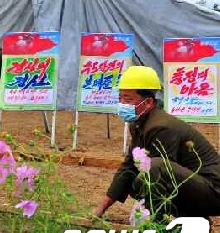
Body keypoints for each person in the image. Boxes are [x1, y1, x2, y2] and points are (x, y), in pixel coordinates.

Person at [92, 66, 220, 220]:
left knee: (153, 170)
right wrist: (100, 209)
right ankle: (191, 219)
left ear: (148, 103)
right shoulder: (139, 124)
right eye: (120, 98)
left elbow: (161, 178)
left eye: (128, 99)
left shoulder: (160, 126)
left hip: (213, 192)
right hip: (195, 186)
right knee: (137, 180)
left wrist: (146, 218)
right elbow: (129, 166)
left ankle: (158, 227)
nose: (122, 103)